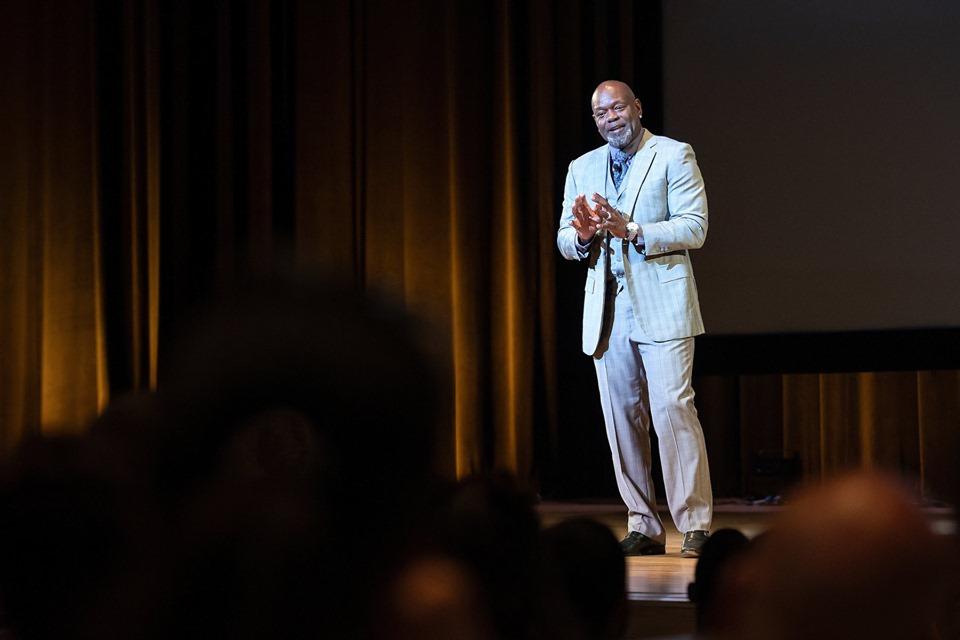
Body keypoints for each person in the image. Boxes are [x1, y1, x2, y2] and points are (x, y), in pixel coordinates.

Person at [557, 80, 713, 557]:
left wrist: (634, 229)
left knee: (672, 410)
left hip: (662, 302)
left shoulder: (672, 155)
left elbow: (695, 226)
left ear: (637, 108)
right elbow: (564, 238)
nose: (610, 118)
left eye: (617, 108)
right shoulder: (582, 168)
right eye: (600, 113)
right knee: (621, 418)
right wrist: (582, 237)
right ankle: (643, 524)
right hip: (608, 309)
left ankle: (695, 523)